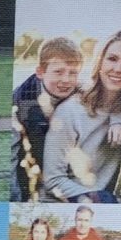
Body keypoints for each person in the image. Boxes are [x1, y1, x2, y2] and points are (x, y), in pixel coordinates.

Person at [45, 31, 121, 201]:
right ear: (99, 62)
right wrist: (98, 198)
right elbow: (53, 180)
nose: (118, 69)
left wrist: (120, 121)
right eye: (112, 59)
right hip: (68, 200)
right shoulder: (70, 111)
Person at [10, 35, 80, 201]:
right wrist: (17, 198)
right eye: (58, 72)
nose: (66, 80)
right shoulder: (19, 102)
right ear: (40, 72)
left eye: (73, 73)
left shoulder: (83, 95)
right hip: (31, 177)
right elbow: (11, 159)